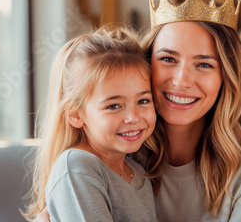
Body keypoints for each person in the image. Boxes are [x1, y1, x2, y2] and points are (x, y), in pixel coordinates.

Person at [34, 0, 241, 221]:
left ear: (226, 78)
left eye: (204, 64)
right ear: (144, 68)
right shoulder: (122, 148)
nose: (181, 81)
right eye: (168, 59)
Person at [23, 26, 157, 222]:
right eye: (113, 106)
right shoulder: (77, 167)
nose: (133, 117)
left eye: (143, 101)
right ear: (76, 115)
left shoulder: (137, 171)